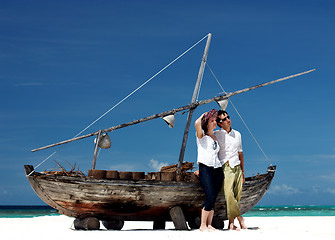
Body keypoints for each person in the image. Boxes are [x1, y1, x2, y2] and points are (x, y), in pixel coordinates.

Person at [214, 110, 247, 230]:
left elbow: (241, 154)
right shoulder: (216, 134)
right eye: (224, 119)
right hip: (225, 167)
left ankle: (231, 224)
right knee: (228, 194)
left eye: (228, 117)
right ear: (219, 123)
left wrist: (243, 172)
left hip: (237, 166)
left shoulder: (237, 134)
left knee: (237, 196)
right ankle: (240, 217)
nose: (228, 119)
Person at [194, 109, 223, 232]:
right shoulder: (202, 136)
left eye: (215, 120)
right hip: (206, 167)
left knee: (214, 197)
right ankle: (203, 225)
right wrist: (205, 115)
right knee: (209, 194)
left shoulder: (215, 137)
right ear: (206, 123)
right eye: (212, 121)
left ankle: (209, 224)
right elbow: (196, 123)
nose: (214, 122)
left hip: (217, 168)